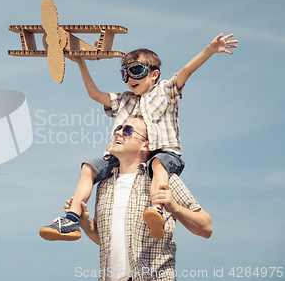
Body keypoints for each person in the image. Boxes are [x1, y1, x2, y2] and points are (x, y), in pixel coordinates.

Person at [39, 33, 236, 241]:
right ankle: (71, 219)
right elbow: (96, 95)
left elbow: (186, 71)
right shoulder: (125, 100)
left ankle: (156, 211)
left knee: (158, 164)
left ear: (154, 74)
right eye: (126, 74)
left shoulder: (165, 91)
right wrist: (80, 63)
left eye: (136, 71)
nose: (131, 79)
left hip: (165, 152)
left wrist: (210, 50)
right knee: (88, 167)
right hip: (130, 156)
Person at [65, 116, 212, 281]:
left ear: (146, 145)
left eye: (127, 130)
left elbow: (206, 228)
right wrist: (88, 225)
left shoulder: (163, 179)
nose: (119, 133)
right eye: (118, 129)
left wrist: (174, 208)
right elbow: (108, 242)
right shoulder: (104, 186)